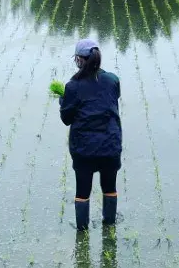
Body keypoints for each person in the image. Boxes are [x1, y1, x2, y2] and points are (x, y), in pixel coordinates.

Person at [59, 38, 122, 231]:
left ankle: (82, 230)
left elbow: (67, 118)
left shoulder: (72, 86)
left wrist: (63, 100)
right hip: (110, 146)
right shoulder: (112, 80)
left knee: (83, 191)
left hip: (84, 149)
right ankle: (110, 225)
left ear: (79, 60)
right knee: (109, 187)